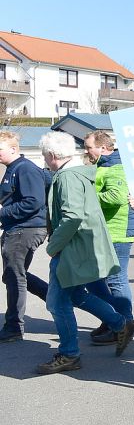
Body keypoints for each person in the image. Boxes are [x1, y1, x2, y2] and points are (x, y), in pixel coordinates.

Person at [37, 131, 134, 374]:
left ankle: (70, 354)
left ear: (51, 155)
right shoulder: (80, 173)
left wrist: (54, 246)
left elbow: (73, 216)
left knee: (57, 304)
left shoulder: (67, 177)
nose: (44, 160)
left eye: (44, 155)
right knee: (74, 296)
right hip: (80, 247)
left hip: (70, 248)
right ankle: (120, 324)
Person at [82, 130, 134, 345]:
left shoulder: (116, 166)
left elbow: (116, 197)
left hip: (118, 231)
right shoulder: (104, 165)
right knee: (97, 279)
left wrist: (85, 195)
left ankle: (124, 325)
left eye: (89, 147)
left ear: (103, 148)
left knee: (115, 279)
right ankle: (112, 319)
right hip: (107, 230)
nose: (86, 151)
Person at [0, 131, 49, 343]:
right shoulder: (13, 169)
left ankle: (13, 328)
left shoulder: (25, 169)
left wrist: (2, 213)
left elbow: (33, 201)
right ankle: (56, 298)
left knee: (15, 277)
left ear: (13, 149)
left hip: (25, 229)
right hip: (18, 228)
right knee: (14, 276)